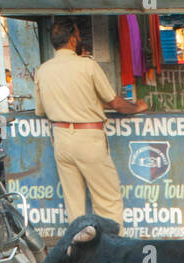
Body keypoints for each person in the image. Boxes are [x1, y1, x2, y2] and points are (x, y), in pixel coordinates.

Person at [35, 17, 147, 231]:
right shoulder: (87, 66)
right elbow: (115, 102)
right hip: (88, 140)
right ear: (72, 39)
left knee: (74, 205)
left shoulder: (43, 70)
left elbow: (42, 110)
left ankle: (78, 255)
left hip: (61, 140)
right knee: (107, 201)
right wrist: (137, 108)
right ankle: (113, 252)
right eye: (77, 35)